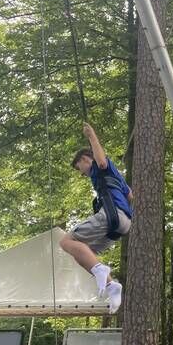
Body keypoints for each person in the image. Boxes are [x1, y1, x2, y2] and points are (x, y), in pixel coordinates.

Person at [60, 123, 132, 314]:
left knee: (66, 242)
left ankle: (101, 271)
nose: (82, 173)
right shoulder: (118, 179)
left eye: (80, 168)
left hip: (111, 216)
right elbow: (130, 196)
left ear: (85, 159)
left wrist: (91, 136)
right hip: (123, 224)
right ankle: (111, 286)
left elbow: (101, 162)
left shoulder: (100, 168)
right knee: (82, 254)